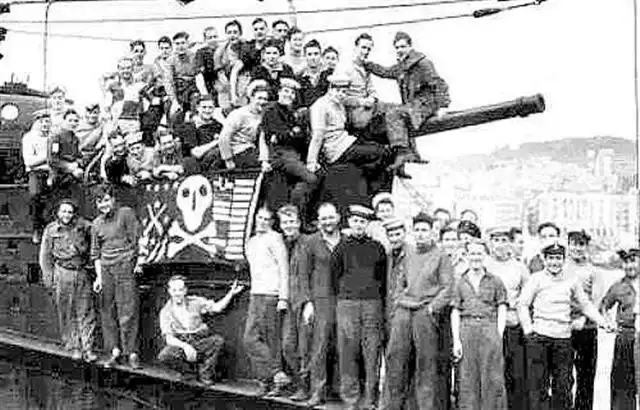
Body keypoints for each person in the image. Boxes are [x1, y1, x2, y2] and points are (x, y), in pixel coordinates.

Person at [517, 243, 615, 410]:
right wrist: (528, 329)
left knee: (563, 385)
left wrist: (603, 322)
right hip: (539, 338)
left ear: (563, 260)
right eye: (551, 258)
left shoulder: (572, 280)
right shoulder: (536, 279)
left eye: (558, 258)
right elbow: (523, 304)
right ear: (544, 260)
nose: (554, 262)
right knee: (538, 385)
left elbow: (585, 305)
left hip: (563, 339)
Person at [380, 212, 454, 410]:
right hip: (404, 310)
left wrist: (432, 308)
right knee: (395, 358)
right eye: (417, 230)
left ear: (432, 232)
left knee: (425, 363)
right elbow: (400, 281)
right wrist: (398, 301)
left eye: (424, 230)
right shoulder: (409, 253)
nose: (420, 234)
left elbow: (447, 288)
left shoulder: (441, 256)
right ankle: (391, 405)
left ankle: (424, 406)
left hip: (424, 313)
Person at [364, 31, 450, 169]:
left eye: (403, 46)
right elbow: (386, 72)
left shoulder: (422, 63)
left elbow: (438, 83)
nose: (399, 50)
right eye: (397, 47)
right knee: (401, 114)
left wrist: (443, 106)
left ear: (410, 47)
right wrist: (369, 65)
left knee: (395, 114)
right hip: (415, 104)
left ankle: (403, 153)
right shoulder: (402, 66)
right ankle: (412, 154)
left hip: (426, 103)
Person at [332, 205, 387, 410]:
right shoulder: (341, 248)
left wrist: (376, 300)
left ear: (368, 224)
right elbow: (334, 277)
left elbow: (382, 278)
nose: (358, 225)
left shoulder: (377, 248)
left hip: (372, 304)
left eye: (363, 222)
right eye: (355, 221)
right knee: (348, 351)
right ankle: (350, 399)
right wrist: (346, 297)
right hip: (347, 304)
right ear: (349, 222)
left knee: (372, 352)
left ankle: (370, 399)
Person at [293, 202, 342, 406]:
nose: (327, 222)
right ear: (318, 221)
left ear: (338, 218)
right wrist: (307, 303)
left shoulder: (345, 240)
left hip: (342, 300)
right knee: (318, 347)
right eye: (323, 218)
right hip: (319, 301)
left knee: (340, 347)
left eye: (330, 217)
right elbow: (303, 275)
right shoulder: (311, 242)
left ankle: (337, 390)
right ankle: (316, 391)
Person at [451, 239, 508, 410]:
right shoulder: (459, 281)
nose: (476, 257)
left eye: (479, 253)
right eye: (472, 253)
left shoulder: (495, 281)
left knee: (492, 378)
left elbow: (502, 306)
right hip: (467, 329)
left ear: (485, 255)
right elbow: (455, 311)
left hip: (489, 327)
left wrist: (498, 333)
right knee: (467, 378)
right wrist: (456, 340)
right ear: (466, 256)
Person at [158, 275, 245, 385]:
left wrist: (231, 293)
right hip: (181, 343)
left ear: (185, 290)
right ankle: (189, 373)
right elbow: (169, 339)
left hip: (199, 341)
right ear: (170, 291)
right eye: (174, 290)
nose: (177, 293)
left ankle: (205, 373)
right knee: (165, 355)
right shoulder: (165, 312)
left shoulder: (196, 302)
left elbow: (217, 308)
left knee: (217, 341)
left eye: (180, 290)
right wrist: (186, 347)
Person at [39, 199, 97, 362]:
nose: (66, 215)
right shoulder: (51, 230)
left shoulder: (82, 226)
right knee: (67, 311)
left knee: (86, 310)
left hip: (81, 272)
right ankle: (74, 346)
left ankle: (88, 348)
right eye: (63, 211)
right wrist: (49, 278)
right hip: (62, 272)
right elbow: (45, 256)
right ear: (58, 212)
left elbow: (95, 231)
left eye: (70, 212)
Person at [91, 185, 142, 369]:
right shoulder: (96, 224)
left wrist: (137, 262)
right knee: (107, 311)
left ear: (113, 199)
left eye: (106, 200)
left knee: (128, 310)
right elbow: (96, 253)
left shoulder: (125, 213)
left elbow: (137, 239)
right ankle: (114, 351)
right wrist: (98, 277)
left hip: (125, 266)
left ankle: (131, 352)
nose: (103, 205)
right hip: (106, 269)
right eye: (99, 202)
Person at [306, 73, 393, 179]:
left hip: (346, 141)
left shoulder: (338, 102)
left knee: (382, 147)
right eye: (337, 90)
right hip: (336, 150)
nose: (340, 94)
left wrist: (367, 101)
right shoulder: (320, 106)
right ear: (330, 89)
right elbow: (317, 136)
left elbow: (352, 101)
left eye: (343, 92)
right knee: (381, 153)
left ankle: (370, 181)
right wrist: (311, 162)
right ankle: (370, 183)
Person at [243, 207, 289, 397]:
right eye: (259, 218)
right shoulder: (252, 242)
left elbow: (284, 269)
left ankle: (271, 383)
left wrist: (283, 297)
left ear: (271, 222)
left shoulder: (276, 239)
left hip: (271, 295)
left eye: (266, 219)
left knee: (272, 340)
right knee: (250, 339)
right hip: (256, 294)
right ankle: (275, 374)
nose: (262, 221)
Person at [485, 227, 530, 410]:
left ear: (510, 243)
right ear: (490, 243)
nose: (500, 245)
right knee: (491, 373)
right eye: (496, 240)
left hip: (513, 325)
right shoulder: (484, 264)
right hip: (489, 324)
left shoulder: (519, 268)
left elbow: (528, 296)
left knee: (515, 374)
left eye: (504, 240)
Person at [260, 78, 318, 219]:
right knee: (311, 179)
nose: (289, 95)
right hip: (280, 155)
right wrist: (293, 133)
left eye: (292, 93)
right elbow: (281, 136)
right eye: (286, 91)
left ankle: (293, 212)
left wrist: (293, 133)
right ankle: (293, 214)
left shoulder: (290, 112)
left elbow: (299, 137)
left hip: (292, 155)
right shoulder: (271, 110)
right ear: (279, 92)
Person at [279, 205, 312, 401]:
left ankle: (306, 388)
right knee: (288, 346)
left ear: (298, 223)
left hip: (304, 302)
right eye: (285, 222)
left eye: (292, 221)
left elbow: (315, 273)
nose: (288, 225)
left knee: (305, 348)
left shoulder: (308, 242)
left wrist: (310, 302)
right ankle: (300, 383)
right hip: (288, 302)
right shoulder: (281, 243)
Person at [600, 248, 639, 410]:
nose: (629, 265)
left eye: (633, 261)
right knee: (622, 384)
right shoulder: (618, 286)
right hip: (626, 336)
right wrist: (609, 322)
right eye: (626, 262)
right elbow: (603, 306)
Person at [565, 229, 598, 410]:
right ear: (568, 245)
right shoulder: (561, 266)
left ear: (586, 246)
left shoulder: (592, 270)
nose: (577, 248)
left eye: (581, 244)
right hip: (563, 326)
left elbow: (596, 300)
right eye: (574, 244)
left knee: (586, 375)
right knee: (563, 375)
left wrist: (584, 318)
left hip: (586, 327)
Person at [219, 80, 270, 170]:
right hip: (238, 151)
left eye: (265, 99)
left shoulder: (263, 115)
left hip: (253, 149)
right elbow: (224, 137)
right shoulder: (239, 114)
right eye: (259, 98)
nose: (262, 102)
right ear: (251, 98)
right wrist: (228, 160)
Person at [22, 109, 52, 244]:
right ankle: (36, 228)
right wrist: (47, 158)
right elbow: (29, 162)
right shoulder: (29, 138)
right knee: (35, 195)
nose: (45, 125)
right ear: (36, 123)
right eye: (42, 122)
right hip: (37, 172)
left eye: (47, 122)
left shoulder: (53, 137)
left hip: (53, 171)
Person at [178, 94, 224, 171]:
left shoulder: (218, 125)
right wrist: (216, 142)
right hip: (197, 166)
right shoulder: (190, 127)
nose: (207, 110)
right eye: (204, 107)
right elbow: (196, 153)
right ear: (198, 108)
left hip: (217, 163)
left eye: (210, 107)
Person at [168, 31, 199, 121]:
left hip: (192, 90)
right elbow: (169, 82)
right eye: (177, 44)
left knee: (195, 102)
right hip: (178, 91)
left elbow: (199, 77)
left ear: (187, 43)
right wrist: (174, 100)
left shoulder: (194, 57)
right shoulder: (171, 60)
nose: (180, 46)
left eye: (183, 43)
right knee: (173, 111)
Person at [48, 108, 83, 186]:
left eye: (76, 121)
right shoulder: (56, 138)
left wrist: (77, 162)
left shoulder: (75, 138)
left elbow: (78, 156)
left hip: (73, 172)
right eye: (70, 120)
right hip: (59, 174)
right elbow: (53, 160)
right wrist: (68, 166)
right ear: (64, 121)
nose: (73, 123)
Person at [297, 39, 332, 109]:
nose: (313, 57)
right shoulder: (299, 78)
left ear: (321, 56)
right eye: (309, 54)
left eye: (316, 54)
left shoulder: (330, 75)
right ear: (304, 56)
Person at [195, 26, 220, 99]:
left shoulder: (222, 49)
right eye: (210, 38)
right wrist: (205, 94)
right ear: (205, 40)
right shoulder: (201, 53)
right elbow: (199, 75)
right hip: (209, 85)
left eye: (215, 37)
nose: (213, 40)